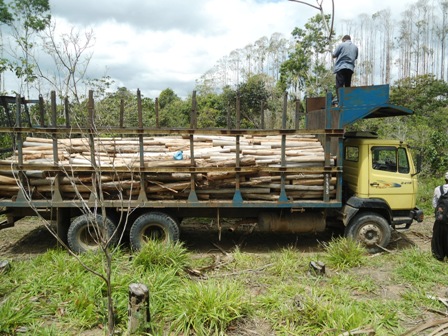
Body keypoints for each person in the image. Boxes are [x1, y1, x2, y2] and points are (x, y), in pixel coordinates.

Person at [332, 35, 358, 103]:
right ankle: (347, 99)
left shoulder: (341, 45)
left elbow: (334, 55)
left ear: (344, 39)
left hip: (341, 67)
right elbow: (355, 57)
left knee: (339, 85)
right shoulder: (355, 47)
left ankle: (339, 100)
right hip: (350, 68)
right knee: (347, 84)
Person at [431, 172, 448, 261]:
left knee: (438, 237)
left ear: (445, 179)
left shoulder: (438, 189)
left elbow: (434, 204)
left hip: (440, 219)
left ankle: (438, 256)